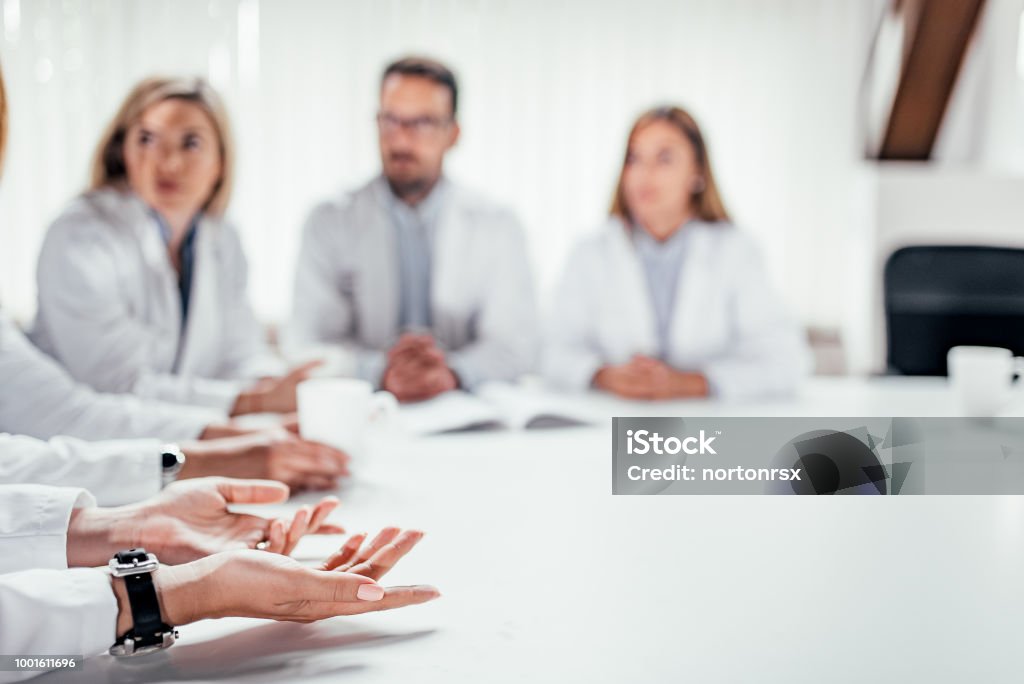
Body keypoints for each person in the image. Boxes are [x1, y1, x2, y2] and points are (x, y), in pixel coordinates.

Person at [30, 77, 314, 417]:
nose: (168, 162)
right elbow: (114, 381)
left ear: (220, 164)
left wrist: (274, 384)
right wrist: (253, 402)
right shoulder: (80, 236)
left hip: (175, 438)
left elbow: (239, 352)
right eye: (147, 139)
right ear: (124, 151)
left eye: (190, 143)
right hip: (80, 440)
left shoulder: (221, 238)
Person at [286, 56, 538, 403]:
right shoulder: (329, 221)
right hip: (363, 406)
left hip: (466, 407)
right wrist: (380, 371)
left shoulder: (497, 224)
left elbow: (514, 345)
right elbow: (306, 343)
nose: (401, 140)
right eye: (390, 120)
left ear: (453, 134)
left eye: (421, 123)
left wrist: (451, 372)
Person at [543, 106, 809, 400]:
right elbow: (550, 352)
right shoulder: (591, 252)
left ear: (697, 172)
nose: (645, 173)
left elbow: (787, 363)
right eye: (634, 158)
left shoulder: (736, 252)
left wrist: (691, 384)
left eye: (664, 158)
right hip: (611, 421)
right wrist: (604, 375)